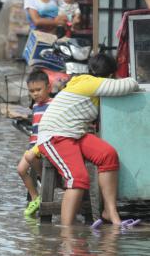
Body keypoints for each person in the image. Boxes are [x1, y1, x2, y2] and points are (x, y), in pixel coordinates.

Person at [36, 53, 140, 226]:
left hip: (74, 134)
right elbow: (131, 84)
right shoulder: (93, 84)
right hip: (55, 135)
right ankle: (66, 232)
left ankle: (110, 212)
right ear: (111, 75)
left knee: (108, 155)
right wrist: (119, 77)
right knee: (78, 178)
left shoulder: (86, 81)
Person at [16, 69, 52, 217]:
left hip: (45, 145)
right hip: (33, 145)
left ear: (48, 88)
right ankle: (35, 197)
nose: (35, 94)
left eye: (39, 89)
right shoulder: (36, 106)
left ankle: (42, 178)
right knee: (20, 170)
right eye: (32, 91)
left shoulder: (53, 104)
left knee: (31, 159)